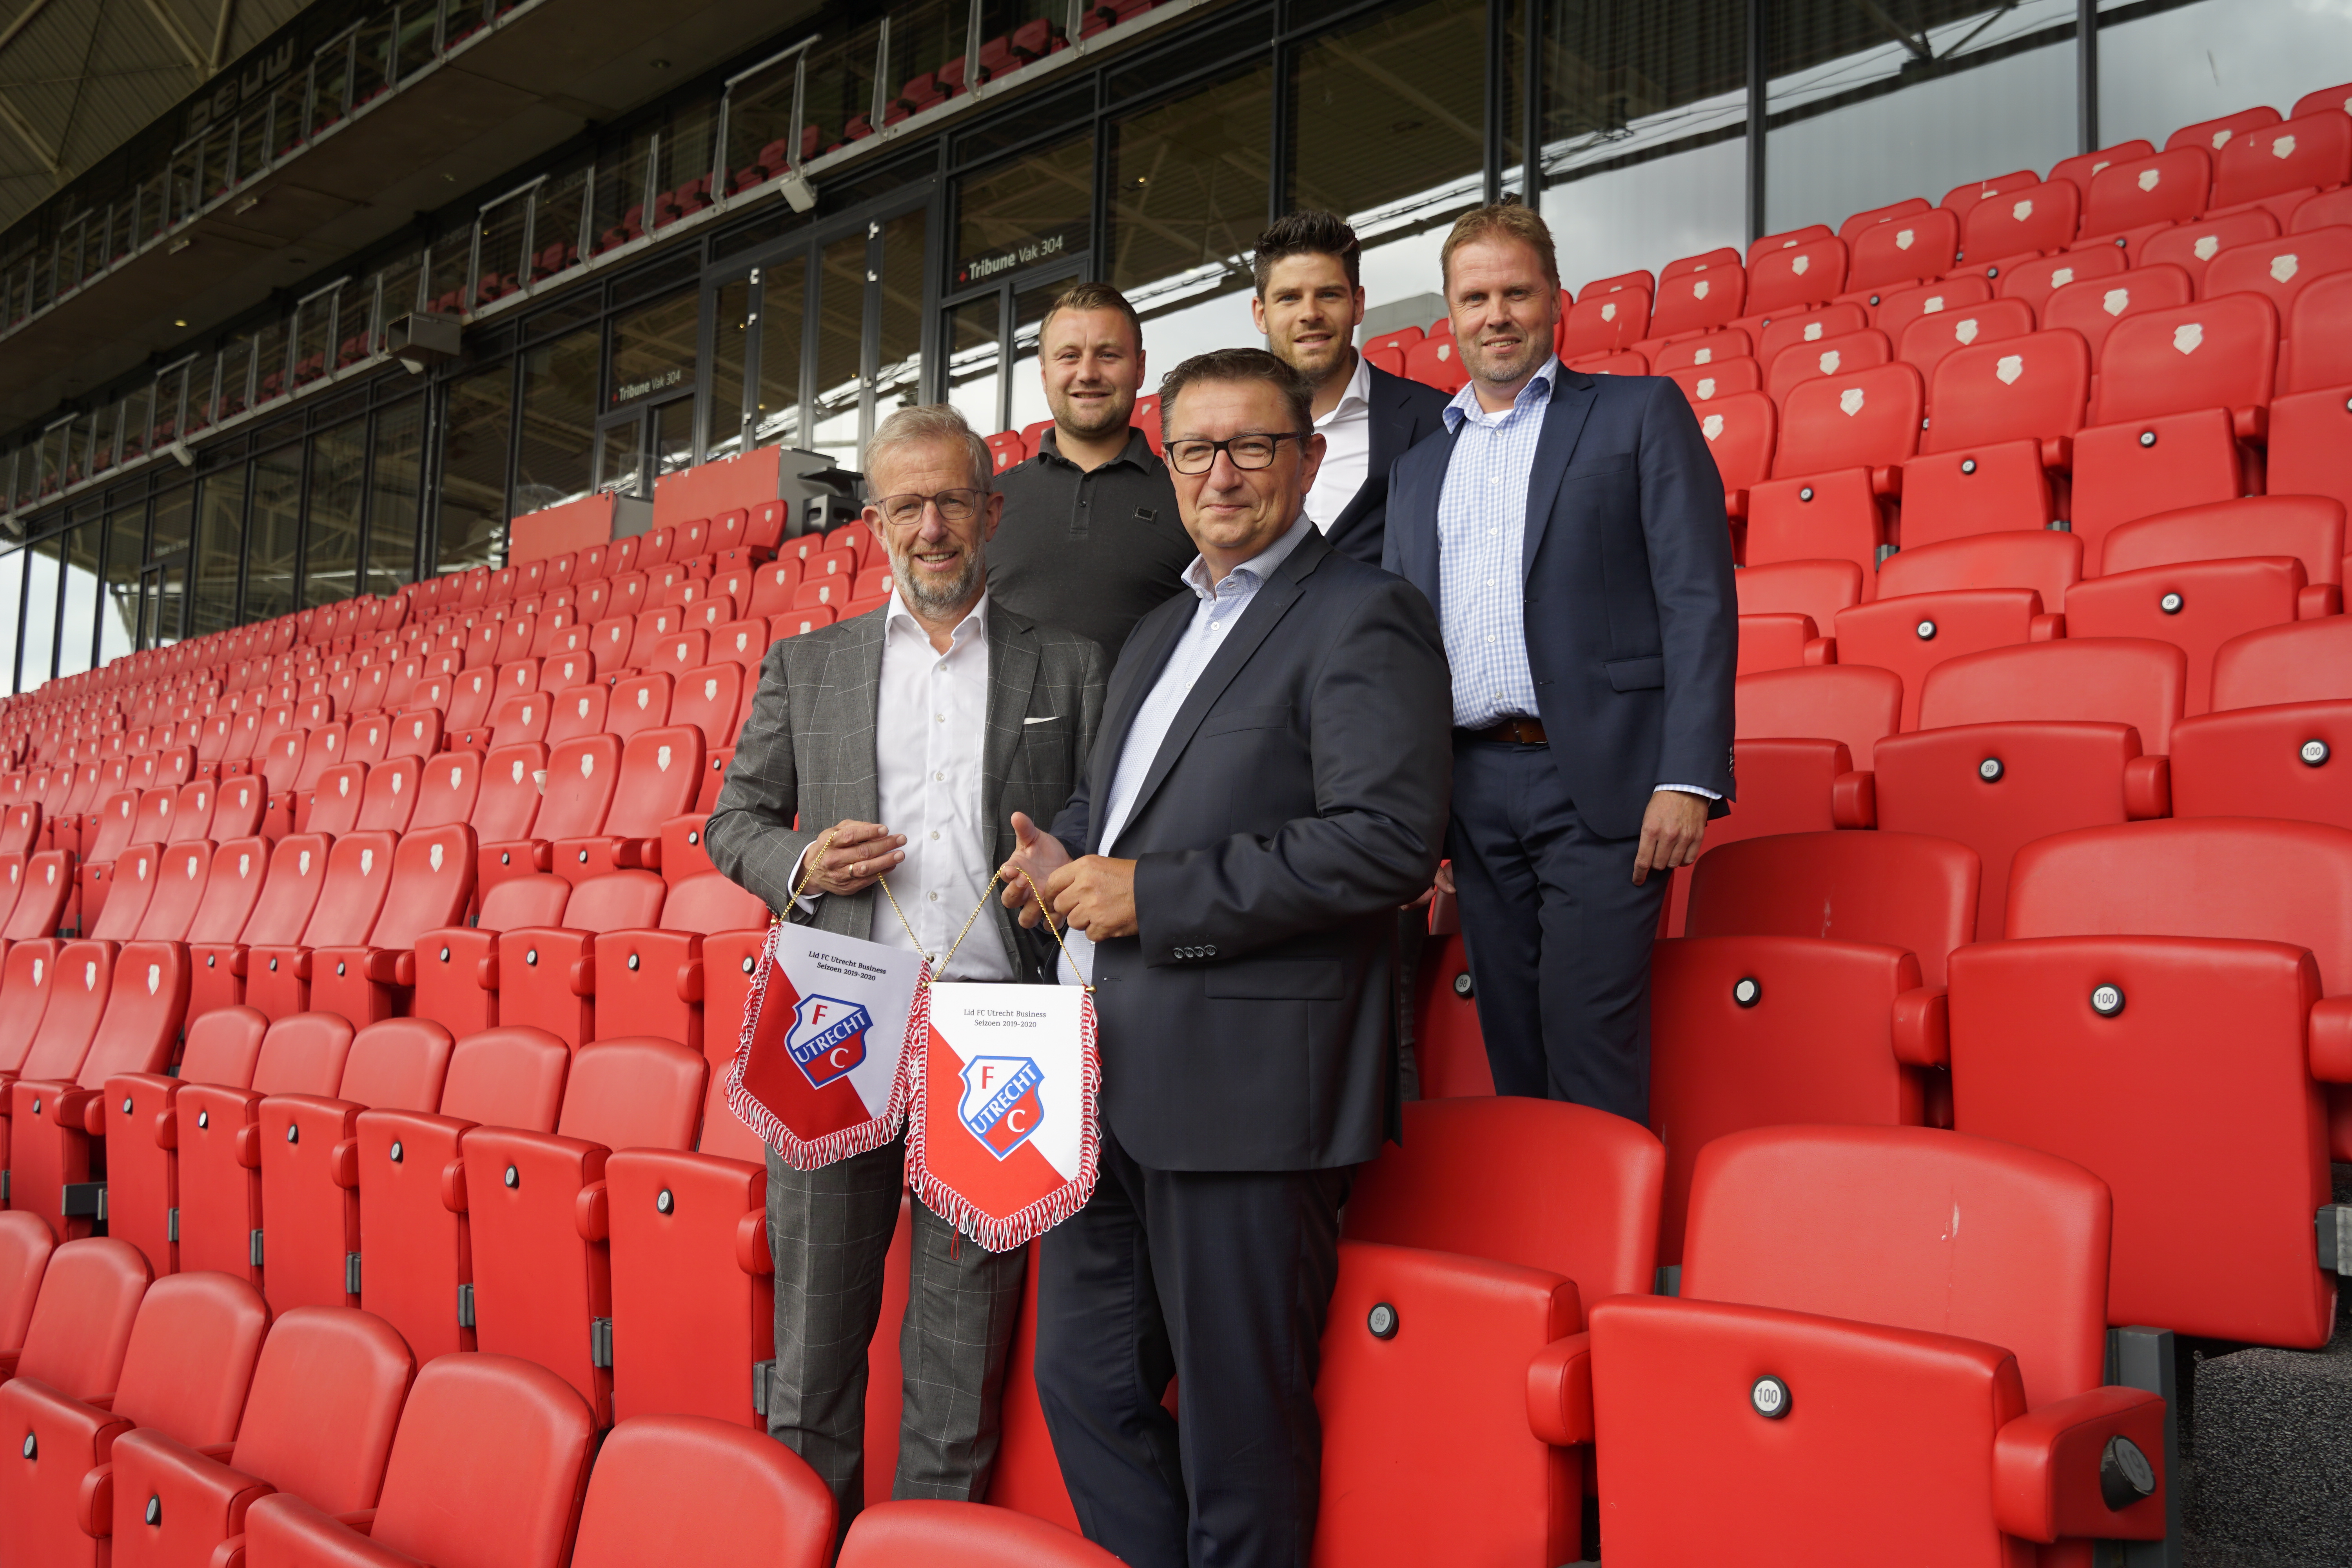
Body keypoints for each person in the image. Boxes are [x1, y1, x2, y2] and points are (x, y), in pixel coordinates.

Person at [1000, 348, 1453, 1568]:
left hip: (1248, 1092)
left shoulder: (1363, 611)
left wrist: (1149, 893)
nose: (1222, 472)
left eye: (1254, 444)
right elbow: (1115, 810)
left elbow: (1385, 844)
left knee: (1240, 1436)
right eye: (1195, 448)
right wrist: (1064, 856)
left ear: (1306, 460)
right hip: (1102, 1086)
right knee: (1082, 1390)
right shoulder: (1155, 631)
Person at [703, 403, 1107, 1541]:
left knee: (956, 1357)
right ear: (873, 523)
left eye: (951, 502)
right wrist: (796, 861)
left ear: (991, 511)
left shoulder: (1071, 666)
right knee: (815, 1346)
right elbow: (731, 822)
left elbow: (1106, 832)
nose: (932, 528)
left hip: (1000, 1035)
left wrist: (1065, 870)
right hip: (836, 1019)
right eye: (906, 506)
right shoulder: (809, 665)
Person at [1383, 201, 1737, 1123]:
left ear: (1557, 302)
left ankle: (1607, 1253)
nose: (1495, 314)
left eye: (1515, 292)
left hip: (1608, 782)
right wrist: (1420, 816)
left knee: (1587, 1035)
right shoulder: (1420, 467)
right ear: (1450, 318)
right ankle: (1547, 1250)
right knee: (1515, 1036)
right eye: (1474, 298)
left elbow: (1697, 597)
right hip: (1475, 791)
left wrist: (1688, 776)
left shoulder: (1638, 413)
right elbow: (1403, 652)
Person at [989, 281, 1198, 661]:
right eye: (1069, 356)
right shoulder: (990, 504)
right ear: (1044, 373)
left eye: (1108, 355)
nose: (1087, 373)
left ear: (1140, 368)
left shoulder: (1190, 494)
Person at [1251, 210, 1451, 566]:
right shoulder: (1233, 436)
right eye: (1289, 298)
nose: (1310, 313)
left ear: (1357, 305)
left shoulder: (1438, 423)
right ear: (1261, 314)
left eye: (1328, 295)